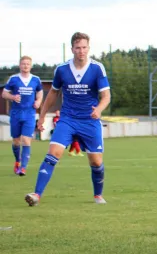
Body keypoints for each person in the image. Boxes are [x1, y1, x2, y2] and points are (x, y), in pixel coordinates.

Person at [25, 32, 111, 206]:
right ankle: (36, 195)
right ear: (72, 49)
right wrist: (41, 116)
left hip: (89, 121)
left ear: (89, 48)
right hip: (68, 119)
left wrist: (99, 109)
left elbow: (106, 96)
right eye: (78, 47)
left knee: (96, 161)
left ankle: (98, 195)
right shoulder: (62, 69)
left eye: (84, 47)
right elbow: (53, 93)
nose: (81, 51)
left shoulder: (97, 68)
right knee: (53, 153)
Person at [2, 56, 43, 176]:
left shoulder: (36, 79)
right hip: (16, 113)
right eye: (23, 64)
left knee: (26, 140)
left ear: (31, 66)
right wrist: (13, 97)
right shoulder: (13, 79)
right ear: (20, 65)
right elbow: (4, 94)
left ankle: (23, 168)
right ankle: (17, 161)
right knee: (16, 141)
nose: (25, 66)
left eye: (28, 64)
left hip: (29, 114)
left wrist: (38, 102)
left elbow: (40, 93)